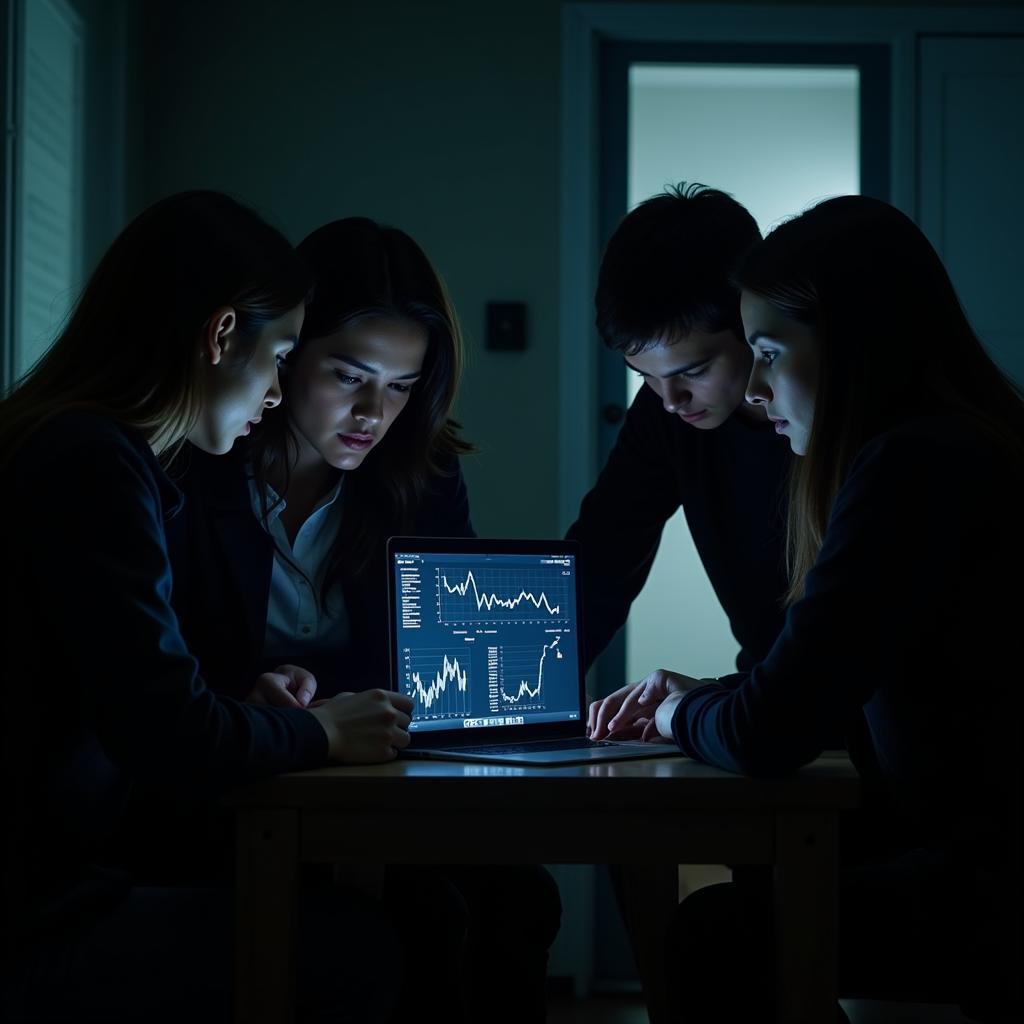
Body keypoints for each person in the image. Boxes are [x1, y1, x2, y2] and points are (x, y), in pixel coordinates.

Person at [589, 195, 1023, 1021]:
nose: (751, 391)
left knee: (717, 940)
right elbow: (604, 558)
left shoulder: (908, 464)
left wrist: (691, 710)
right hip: (882, 765)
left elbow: (781, 719)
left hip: (970, 850)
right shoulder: (942, 440)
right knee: (757, 881)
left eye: (760, 354)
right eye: (648, 380)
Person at [0, 191, 415, 1023]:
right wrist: (320, 732)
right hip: (34, 917)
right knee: (360, 951)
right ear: (223, 335)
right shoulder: (96, 464)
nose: (276, 388)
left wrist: (236, 709)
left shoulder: (65, 442)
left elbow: (131, 696)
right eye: (285, 353)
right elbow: (165, 732)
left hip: (49, 887)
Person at [164, 216, 561, 1024]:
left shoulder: (423, 472)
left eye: (403, 387)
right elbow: (155, 671)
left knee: (518, 897)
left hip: (384, 782)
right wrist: (249, 691)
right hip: (223, 789)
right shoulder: (195, 462)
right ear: (287, 355)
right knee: (412, 921)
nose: (374, 413)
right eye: (349, 376)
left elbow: (446, 660)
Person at [567, 183, 792, 700]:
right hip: (768, 700)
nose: (671, 399)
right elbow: (604, 554)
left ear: (753, 320)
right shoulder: (665, 413)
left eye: (694, 370)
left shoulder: (844, 425)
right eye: (644, 375)